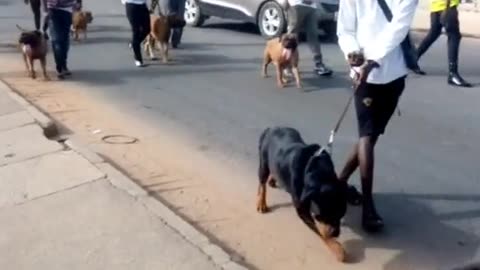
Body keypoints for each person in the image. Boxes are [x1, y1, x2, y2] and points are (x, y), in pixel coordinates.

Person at [336, 0, 417, 232]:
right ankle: (368, 207)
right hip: (364, 76)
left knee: (370, 136)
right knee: (367, 135)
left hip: (393, 74)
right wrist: (353, 53)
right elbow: (345, 30)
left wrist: (372, 60)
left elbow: (397, 29)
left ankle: (339, 183)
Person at [415, 0, 471, 87]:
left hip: (436, 7)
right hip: (447, 6)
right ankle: (453, 73)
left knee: (434, 33)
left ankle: (413, 59)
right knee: (454, 36)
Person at [282, 0, 333, 76]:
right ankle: (287, 65)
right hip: (296, 5)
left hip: (311, 7)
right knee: (292, 36)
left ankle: (318, 64)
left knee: (313, 35)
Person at [42, 0, 80, 79]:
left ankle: (62, 65)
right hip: (53, 11)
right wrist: (45, 11)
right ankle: (60, 67)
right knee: (57, 40)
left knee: (63, 40)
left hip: (66, 11)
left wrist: (77, 6)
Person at [123, 0, 151, 67]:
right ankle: (138, 59)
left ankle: (134, 44)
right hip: (131, 5)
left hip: (143, 5)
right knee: (136, 31)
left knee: (147, 29)